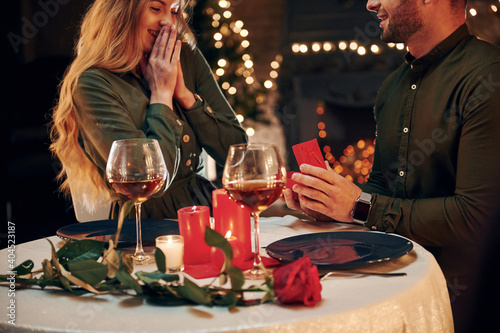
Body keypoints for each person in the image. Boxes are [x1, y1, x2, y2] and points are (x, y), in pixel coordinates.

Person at [284, 0, 500, 331]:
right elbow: (382, 187)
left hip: (461, 301)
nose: (371, 3)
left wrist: (359, 208)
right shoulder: (392, 87)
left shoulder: (488, 78)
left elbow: (475, 217)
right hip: (393, 281)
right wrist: (331, 204)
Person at [50, 0, 247, 219]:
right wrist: (162, 95)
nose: (167, 22)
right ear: (121, 13)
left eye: (174, 11)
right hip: (144, 225)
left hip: (206, 212)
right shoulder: (92, 84)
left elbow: (236, 153)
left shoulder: (186, 56)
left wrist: (184, 95)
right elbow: (149, 179)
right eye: (155, 8)